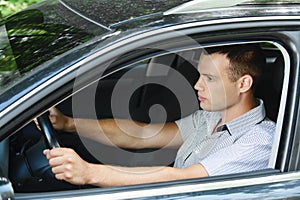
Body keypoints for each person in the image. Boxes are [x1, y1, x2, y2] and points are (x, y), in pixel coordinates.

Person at [42, 43, 275, 187]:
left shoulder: (260, 141)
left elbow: (181, 179)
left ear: (243, 83)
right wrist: (68, 124)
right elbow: (141, 134)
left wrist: (89, 173)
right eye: (199, 75)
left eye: (209, 79)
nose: (197, 85)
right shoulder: (210, 118)